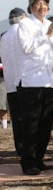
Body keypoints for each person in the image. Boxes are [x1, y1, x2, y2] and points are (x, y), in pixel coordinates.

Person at [17, 0, 53, 175]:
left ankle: (39, 159)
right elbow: (27, 47)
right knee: (31, 124)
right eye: (38, 3)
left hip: (47, 81)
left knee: (45, 123)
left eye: (45, 3)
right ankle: (28, 162)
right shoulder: (25, 24)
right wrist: (46, 35)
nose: (42, 7)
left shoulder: (48, 24)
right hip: (30, 81)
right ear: (31, 6)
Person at [0, 8, 27, 155]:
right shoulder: (22, 34)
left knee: (16, 120)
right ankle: (28, 151)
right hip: (24, 83)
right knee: (27, 120)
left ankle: (20, 148)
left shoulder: (4, 36)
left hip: (10, 83)